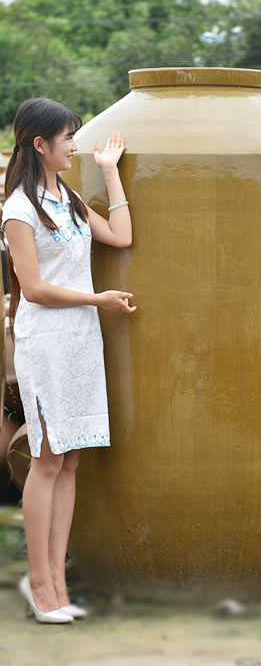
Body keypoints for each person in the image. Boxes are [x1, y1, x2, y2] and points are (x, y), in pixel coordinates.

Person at [2, 98, 135, 624]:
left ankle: (57, 580)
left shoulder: (70, 199)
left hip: (81, 341)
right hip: (46, 342)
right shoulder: (18, 209)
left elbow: (121, 236)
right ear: (40, 145)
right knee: (48, 458)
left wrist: (110, 172)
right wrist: (97, 299)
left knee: (72, 458)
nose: (74, 146)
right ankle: (40, 583)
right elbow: (33, 289)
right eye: (68, 138)